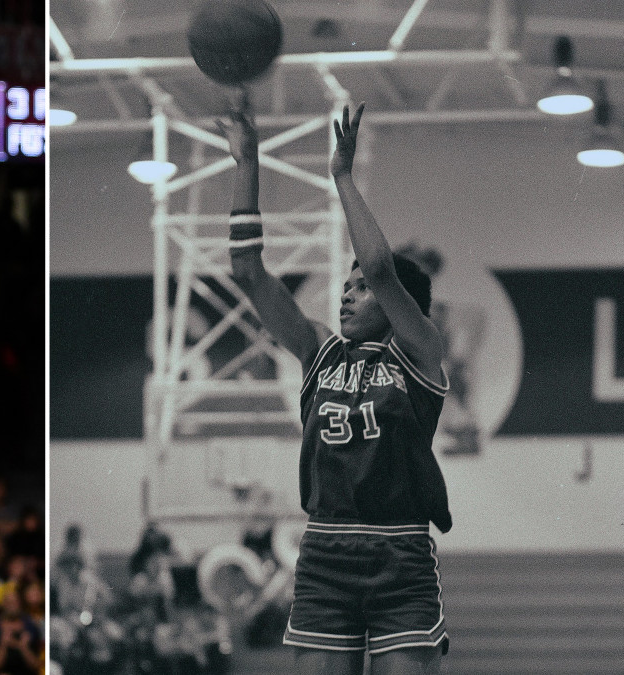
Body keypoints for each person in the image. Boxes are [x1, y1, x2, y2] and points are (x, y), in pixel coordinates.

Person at [222, 97, 451, 674]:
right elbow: (248, 272)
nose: (349, 293)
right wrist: (247, 165)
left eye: (362, 289)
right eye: (345, 287)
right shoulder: (318, 351)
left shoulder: (422, 354)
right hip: (325, 552)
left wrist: (342, 176)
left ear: (403, 306)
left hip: (400, 554)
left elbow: (379, 266)